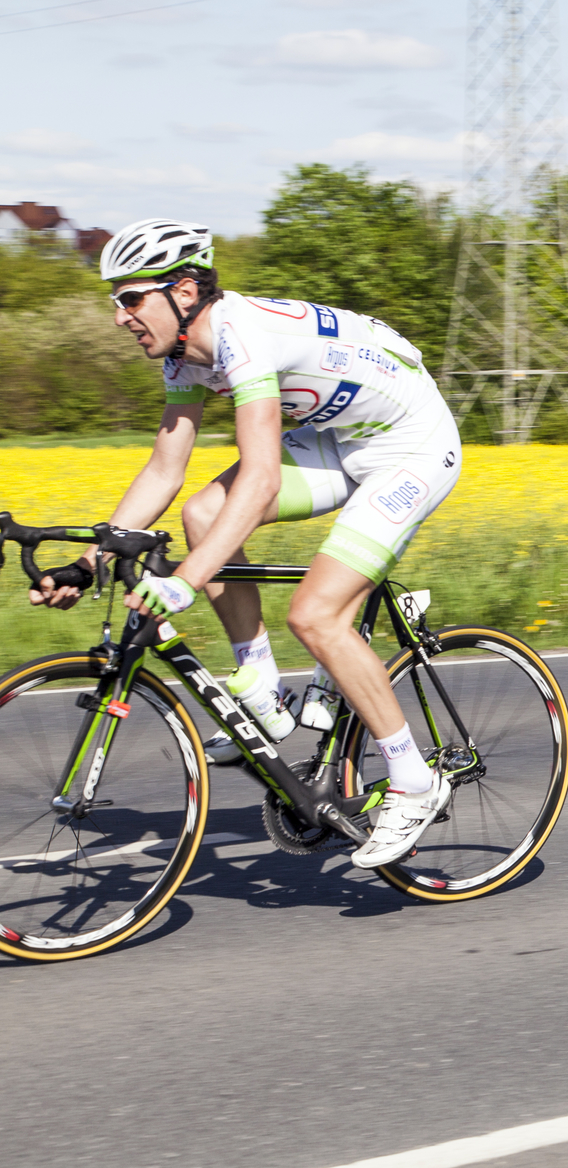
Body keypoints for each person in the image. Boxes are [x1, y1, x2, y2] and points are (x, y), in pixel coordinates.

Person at [28, 217, 463, 869]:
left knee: (316, 614)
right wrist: (89, 562)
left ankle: (413, 779)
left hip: (411, 447)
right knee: (205, 511)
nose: (118, 317)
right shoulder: (182, 353)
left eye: (128, 298)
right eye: (114, 300)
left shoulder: (242, 338)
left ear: (181, 291)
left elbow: (258, 482)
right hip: (338, 440)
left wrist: (183, 581)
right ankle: (260, 686)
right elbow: (164, 471)